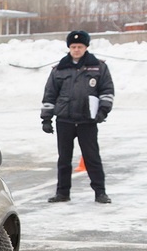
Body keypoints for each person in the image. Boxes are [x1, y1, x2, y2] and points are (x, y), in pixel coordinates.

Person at [41, 30, 115, 203]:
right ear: (69, 48)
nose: (76, 50)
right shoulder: (59, 68)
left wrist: (103, 111)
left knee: (92, 157)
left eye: (79, 46)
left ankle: (100, 192)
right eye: (73, 47)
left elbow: (107, 90)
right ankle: (62, 193)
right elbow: (50, 94)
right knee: (64, 159)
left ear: (86, 47)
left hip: (86, 120)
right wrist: (46, 118)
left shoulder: (98, 67)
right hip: (64, 120)